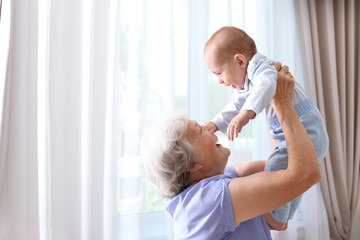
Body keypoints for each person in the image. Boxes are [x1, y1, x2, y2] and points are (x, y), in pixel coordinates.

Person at [141, 63, 322, 239]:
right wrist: (281, 102)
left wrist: (271, 109)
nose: (211, 129)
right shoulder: (210, 201)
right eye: (200, 130)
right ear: (192, 164)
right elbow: (306, 173)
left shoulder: (217, 179)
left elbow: (286, 165)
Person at [202, 26, 329, 229]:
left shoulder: (261, 68)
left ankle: (276, 216)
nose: (220, 81)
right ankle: (283, 217)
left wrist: (246, 114)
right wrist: (216, 123)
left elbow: (267, 84)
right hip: (297, 134)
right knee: (289, 175)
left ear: (240, 61)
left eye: (219, 73)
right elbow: (235, 105)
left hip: (306, 129)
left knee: (275, 170)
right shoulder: (248, 84)